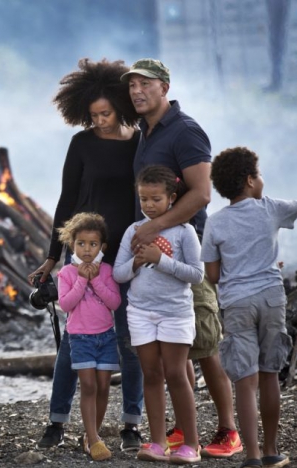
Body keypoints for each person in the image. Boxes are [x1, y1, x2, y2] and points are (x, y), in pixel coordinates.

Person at [121, 58, 242, 458]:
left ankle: (228, 430)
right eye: (132, 85)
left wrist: (152, 228)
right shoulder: (147, 130)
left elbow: (201, 194)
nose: (137, 91)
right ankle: (181, 430)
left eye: (146, 84)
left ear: (165, 87)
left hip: (192, 249)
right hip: (155, 258)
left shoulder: (186, 131)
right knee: (177, 352)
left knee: (205, 345)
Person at [28, 58, 144, 452]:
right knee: (72, 346)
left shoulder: (140, 141)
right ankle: (57, 422)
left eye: (106, 113)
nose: (99, 121)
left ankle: (131, 423)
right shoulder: (82, 144)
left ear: (120, 105)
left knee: (128, 340)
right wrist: (52, 256)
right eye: (93, 116)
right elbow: (67, 201)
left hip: (126, 254)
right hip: (82, 254)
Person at [201, 147, 293, 468]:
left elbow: (211, 275)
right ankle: (270, 451)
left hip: (236, 304)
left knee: (245, 379)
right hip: (271, 298)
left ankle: (251, 456)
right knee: (269, 374)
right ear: (251, 180)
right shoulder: (270, 209)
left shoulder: (214, 223)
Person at [113, 165, 204, 464]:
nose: (149, 205)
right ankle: (157, 443)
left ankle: (191, 444)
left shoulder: (184, 231)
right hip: (140, 312)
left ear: (172, 198)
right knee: (151, 374)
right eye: (143, 199)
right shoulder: (133, 230)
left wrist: (160, 260)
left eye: (155, 199)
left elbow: (197, 275)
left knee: (176, 374)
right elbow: (118, 273)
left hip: (175, 313)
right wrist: (137, 264)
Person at [56, 213, 121, 461]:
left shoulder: (106, 271)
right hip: (80, 338)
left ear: (102, 247)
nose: (86, 249)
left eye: (93, 244)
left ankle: (90, 434)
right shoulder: (67, 274)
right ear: (72, 245)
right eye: (81, 243)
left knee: (104, 386)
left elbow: (114, 302)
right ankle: (94, 439)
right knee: (89, 386)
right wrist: (82, 280)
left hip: (106, 337)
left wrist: (96, 282)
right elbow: (66, 304)